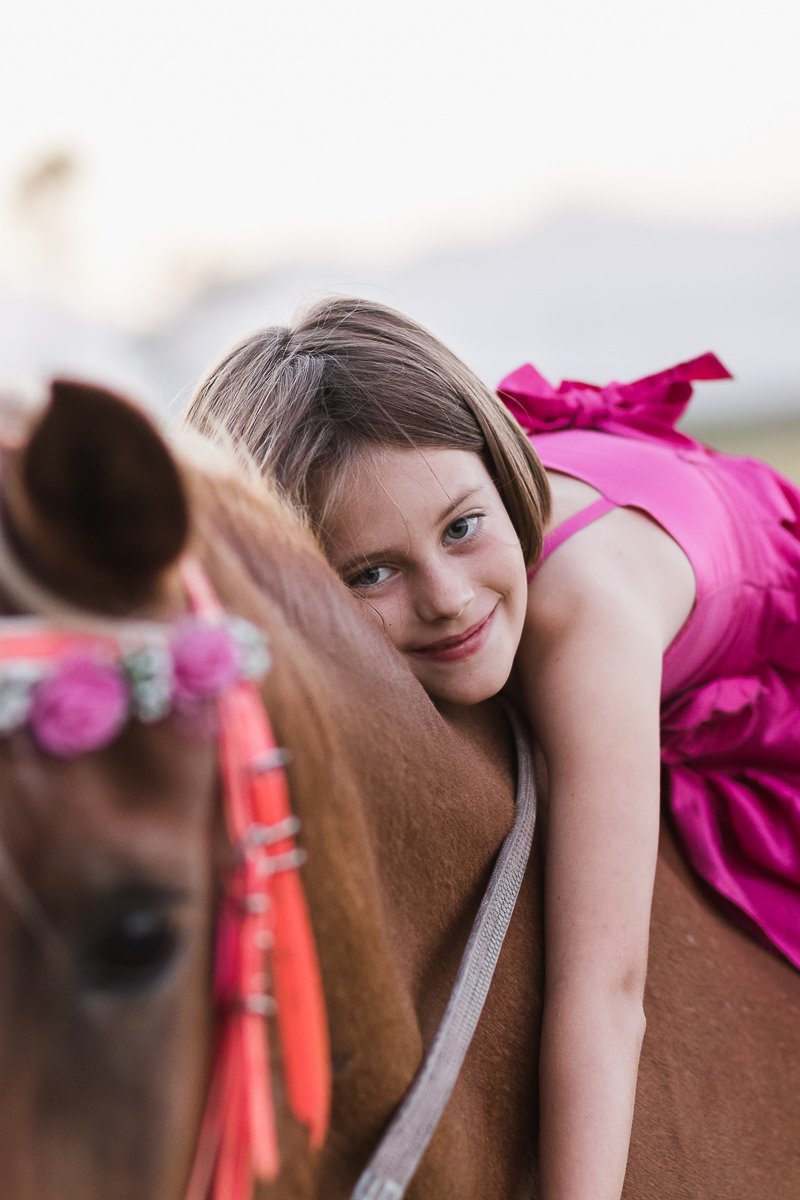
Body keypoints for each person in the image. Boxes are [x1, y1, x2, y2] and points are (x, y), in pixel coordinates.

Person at [185, 296, 800, 1200]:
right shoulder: (439, 524)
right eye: (371, 573)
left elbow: (607, 989)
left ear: (495, 477)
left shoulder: (581, 624)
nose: (447, 598)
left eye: (463, 527)